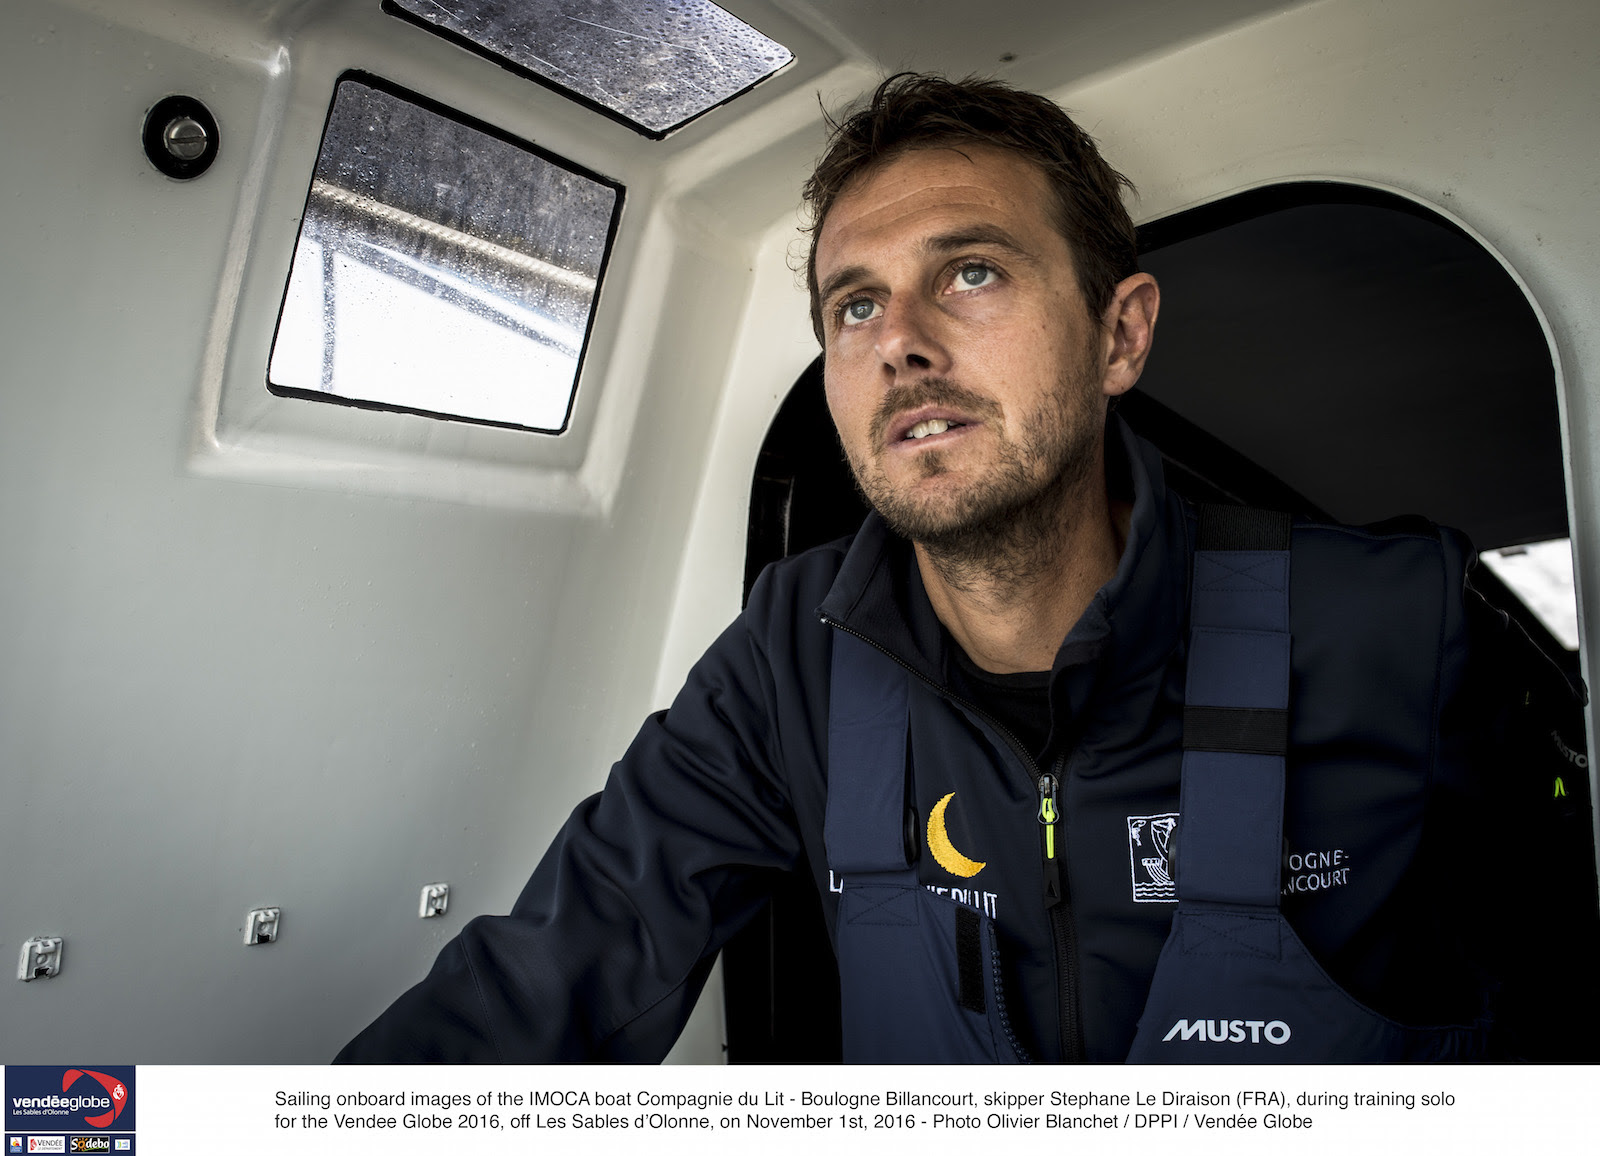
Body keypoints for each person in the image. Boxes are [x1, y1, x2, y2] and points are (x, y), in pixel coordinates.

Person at [337, 73, 1548, 1064]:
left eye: (969, 272)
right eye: (853, 306)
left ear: (1118, 332)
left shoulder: (1392, 626)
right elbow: (547, 981)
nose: (902, 341)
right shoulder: (786, 664)